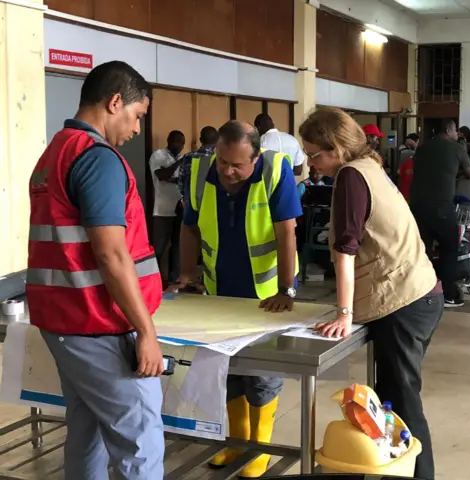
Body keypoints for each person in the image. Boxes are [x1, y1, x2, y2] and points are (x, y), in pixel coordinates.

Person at [26, 61, 164, 479]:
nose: (138, 129)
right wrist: (147, 332)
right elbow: (112, 255)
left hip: (66, 324)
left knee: (86, 436)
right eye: (137, 116)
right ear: (115, 102)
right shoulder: (97, 159)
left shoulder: (55, 152)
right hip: (99, 325)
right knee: (139, 442)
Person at [299, 107, 444, 480]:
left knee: (403, 405)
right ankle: (381, 468)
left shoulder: (351, 175)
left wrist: (343, 313)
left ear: (335, 148)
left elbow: (346, 248)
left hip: (403, 302)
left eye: (315, 155)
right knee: (389, 401)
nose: (312, 164)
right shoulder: (369, 167)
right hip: (415, 294)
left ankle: (418, 474)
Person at [175, 120, 301, 477]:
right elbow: (189, 225)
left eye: (238, 166)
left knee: (261, 375)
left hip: (266, 297)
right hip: (220, 292)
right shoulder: (200, 172)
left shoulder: (277, 172)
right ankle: (237, 442)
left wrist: (286, 289)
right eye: (223, 162)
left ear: (255, 157)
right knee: (225, 370)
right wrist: (187, 273)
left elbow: (286, 232)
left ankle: (259, 447)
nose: (229, 172)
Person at [411, 119, 470, 308]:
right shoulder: (457, 148)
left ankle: (422, 292)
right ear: (448, 130)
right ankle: (447, 294)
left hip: (417, 207)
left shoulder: (422, 148)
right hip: (441, 207)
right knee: (450, 248)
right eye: (455, 130)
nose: (457, 134)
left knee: (424, 251)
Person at [149, 130, 185, 285]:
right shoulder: (159, 155)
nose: (179, 145)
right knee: (159, 247)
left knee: (178, 247)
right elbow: (162, 175)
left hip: (179, 208)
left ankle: (174, 279)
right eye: (176, 141)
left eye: (182, 142)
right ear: (169, 140)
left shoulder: (182, 158)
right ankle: (152, 280)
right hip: (162, 210)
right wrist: (179, 163)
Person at [178, 126, 219, 199]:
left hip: (189, 203)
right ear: (217, 141)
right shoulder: (218, 160)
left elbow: (181, 184)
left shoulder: (187, 157)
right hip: (210, 203)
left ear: (200, 140)